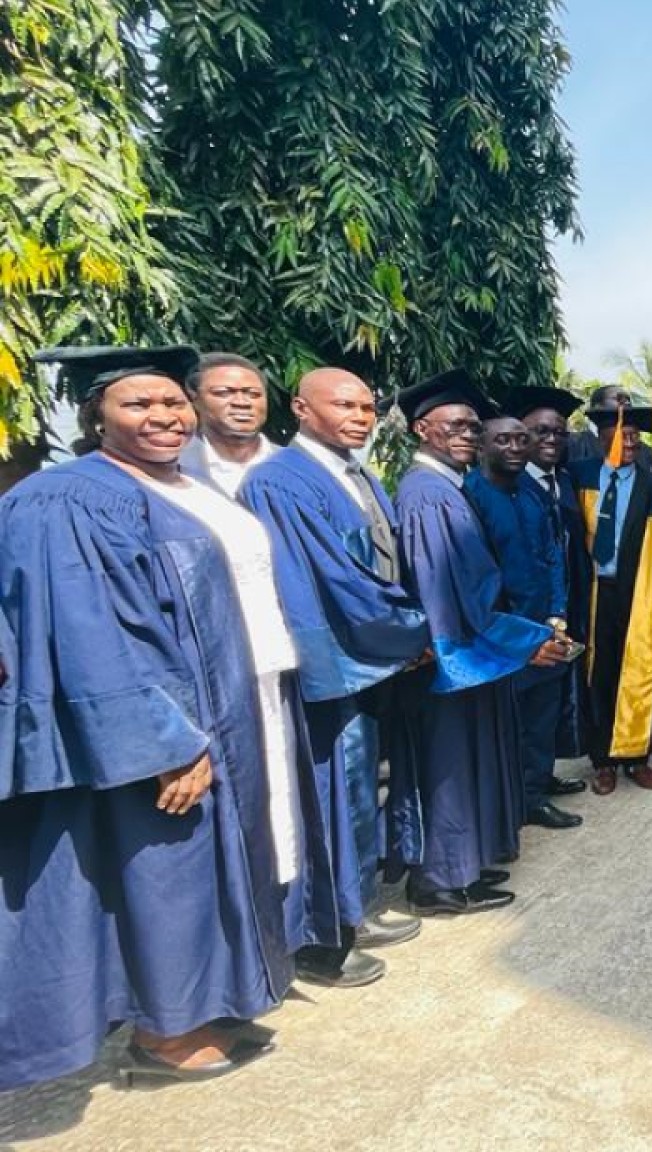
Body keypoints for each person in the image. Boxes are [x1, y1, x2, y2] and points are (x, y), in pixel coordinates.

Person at [2, 346, 294, 1087]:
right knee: (160, 874)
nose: (163, 416)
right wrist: (165, 744)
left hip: (217, 712)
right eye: (137, 404)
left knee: (206, 865)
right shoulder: (67, 499)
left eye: (172, 402)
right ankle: (164, 1035)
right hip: (149, 734)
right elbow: (88, 636)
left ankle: (208, 1004)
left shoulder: (179, 484)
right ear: (95, 415)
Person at [240, 368, 433, 989]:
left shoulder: (357, 472)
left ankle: (355, 909)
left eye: (368, 407)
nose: (360, 417)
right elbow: (330, 582)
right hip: (334, 663)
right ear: (300, 408)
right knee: (325, 800)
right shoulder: (279, 481)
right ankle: (323, 942)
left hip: (367, 657)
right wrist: (409, 632)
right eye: (344, 405)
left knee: (358, 794)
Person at [389, 371, 571, 915]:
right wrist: (523, 641)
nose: (467, 434)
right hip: (454, 657)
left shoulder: (449, 487)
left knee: (467, 763)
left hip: (472, 652)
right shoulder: (428, 496)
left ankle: (462, 865)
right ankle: (438, 883)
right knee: (447, 768)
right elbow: (454, 595)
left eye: (472, 425)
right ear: (422, 429)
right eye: (455, 426)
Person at [466, 413, 584, 831]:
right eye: (504, 440)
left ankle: (537, 786)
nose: (515, 448)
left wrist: (556, 615)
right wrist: (520, 637)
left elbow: (553, 556)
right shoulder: (472, 496)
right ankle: (517, 798)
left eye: (521, 439)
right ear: (482, 445)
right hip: (505, 636)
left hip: (544, 624)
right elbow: (478, 578)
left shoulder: (533, 494)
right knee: (510, 721)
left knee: (542, 715)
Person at [566, 404, 652, 794]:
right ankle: (604, 761)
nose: (630, 442)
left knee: (640, 672)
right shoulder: (578, 477)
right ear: (601, 439)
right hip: (593, 593)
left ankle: (637, 756)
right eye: (621, 435)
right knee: (599, 674)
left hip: (637, 591)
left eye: (634, 436)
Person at [511, 386, 595, 773]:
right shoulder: (512, 485)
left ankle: (543, 775)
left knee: (552, 699)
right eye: (541, 431)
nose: (551, 439)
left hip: (568, 606)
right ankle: (528, 789)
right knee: (528, 705)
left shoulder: (565, 481)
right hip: (530, 613)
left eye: (559, 432)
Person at [179, 352, 278, 497]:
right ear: (194, 400)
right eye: (224, 393)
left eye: (253, 394)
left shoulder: (298, 465)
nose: (242, 402)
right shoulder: (172, 465)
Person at [568, 384, 652, 473]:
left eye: (628, 399)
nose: (627, 403)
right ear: (597, 406)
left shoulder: (645, 451)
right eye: (619, 398)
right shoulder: (574, 443)